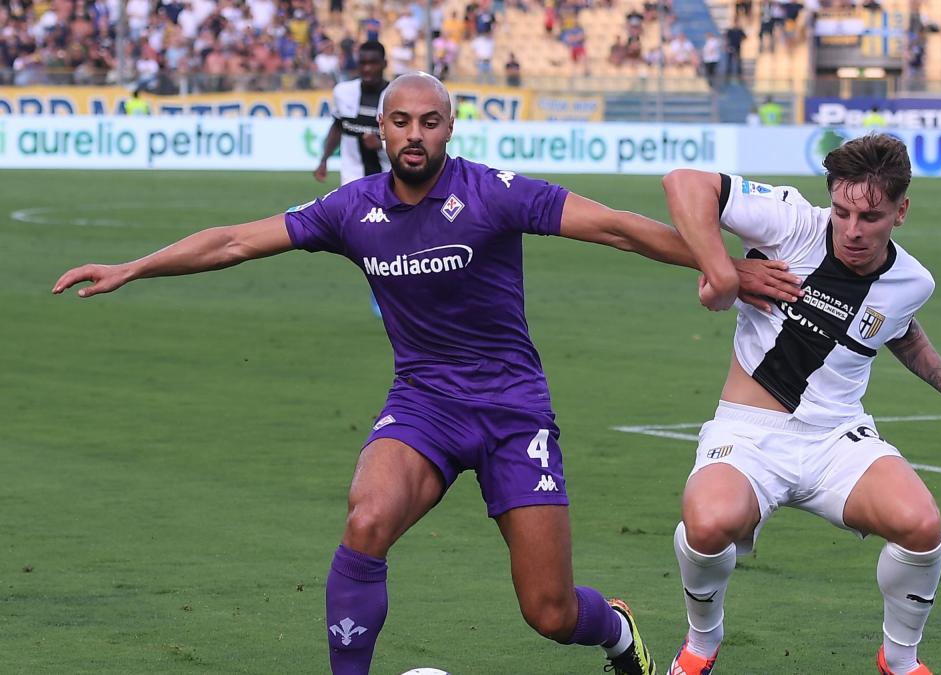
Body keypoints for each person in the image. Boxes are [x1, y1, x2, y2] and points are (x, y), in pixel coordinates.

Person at [52, 72, 802, 675]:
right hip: (424, 403)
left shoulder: (493, 192)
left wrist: (724, 265)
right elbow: (232, 242)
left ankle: (616, 630)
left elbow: (615, 227)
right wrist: (133, 267)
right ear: (379, 130)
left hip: (513, 410)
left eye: (430, 122)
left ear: (450, 128)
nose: (415, 134)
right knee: (366, 520)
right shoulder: (350, 209)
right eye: (401, 122)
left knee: (548, 611)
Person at [660, 134, 941, 675]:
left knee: (922, 526)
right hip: (749, 433)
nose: (852, 229)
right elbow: (684, 183)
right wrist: (725, 270)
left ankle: (899, 661)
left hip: (838, 439)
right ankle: (701, 642)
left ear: (901, 212)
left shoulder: (913, 281)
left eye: (871, 217)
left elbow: (897, 328)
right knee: (709, 523)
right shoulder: (791, 222)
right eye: (842, 211)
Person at [314, 41, 389, 186]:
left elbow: (406, 136)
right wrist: (324, 160)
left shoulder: (396, 95)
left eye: (373, 63)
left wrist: (381, 144)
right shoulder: (343, 92)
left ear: (384, 64)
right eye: (363, 63)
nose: (367, 68)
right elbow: (338, 126)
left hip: (388, 178)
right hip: (352, 179)